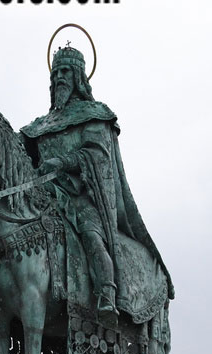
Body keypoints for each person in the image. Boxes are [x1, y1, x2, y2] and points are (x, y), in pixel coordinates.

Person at [21, 44, 172, 325]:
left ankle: (107, 294)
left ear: (79, 76)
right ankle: (4, 312)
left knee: (91, 234)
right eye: (55, 73)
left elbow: (96, 154)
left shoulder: (94, 114)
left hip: (81, 198)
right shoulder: (39, 125)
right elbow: (20, 156)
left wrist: (63, 163)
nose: (59, 78)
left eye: (65, 71)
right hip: (43, 196)